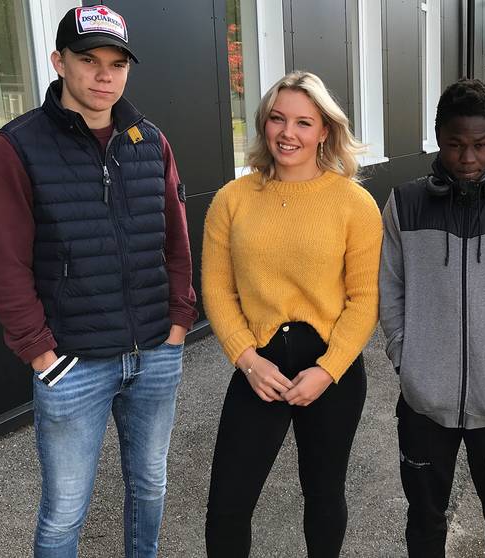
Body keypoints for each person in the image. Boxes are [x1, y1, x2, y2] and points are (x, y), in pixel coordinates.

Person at [0, 5, 197, 557]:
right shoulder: (15, 148)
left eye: (117, 63)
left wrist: (178, 324)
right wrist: (41, 355)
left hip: (154, 352)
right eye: (89, 60)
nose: (104, 75)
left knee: (150, 488)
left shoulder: (150, 141)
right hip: (72, 364)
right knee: (64, 513)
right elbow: (5, 263)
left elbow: (176, 240)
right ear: (59, 62)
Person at [201, 71, 381, 557]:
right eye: (277, 119)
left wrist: (328, 369)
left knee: (323, 495)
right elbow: (217, 289)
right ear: (264, 124)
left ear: (324, 131)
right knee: (227, 507)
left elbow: (365, 298)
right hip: (259, 365)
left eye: (304, 122)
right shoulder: (233, 200)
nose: (288, 133)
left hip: (330, 371)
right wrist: (247, 360)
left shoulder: (355, 203)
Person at [378, 78, 485, 558]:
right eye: (455, 144)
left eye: (481, 145)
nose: (469, 158)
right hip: (423, 402)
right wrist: (404, 357)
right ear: (438, 137)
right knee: (424, 519)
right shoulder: (405, 202)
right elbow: (390, 285)